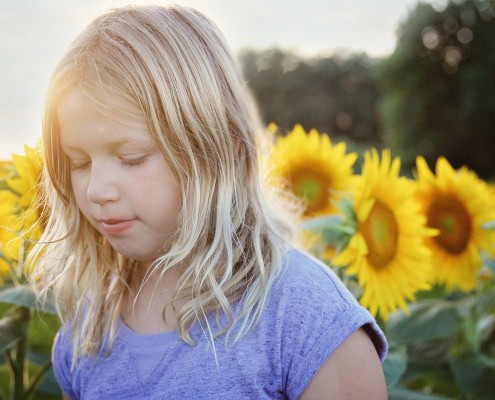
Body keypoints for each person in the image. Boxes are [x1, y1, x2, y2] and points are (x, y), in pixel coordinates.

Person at [29, 4, 388, 399]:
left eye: (131, 158)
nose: (96, 189)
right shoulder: (87, 334)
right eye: (78, 162)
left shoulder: (303, 317)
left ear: (219, 150)